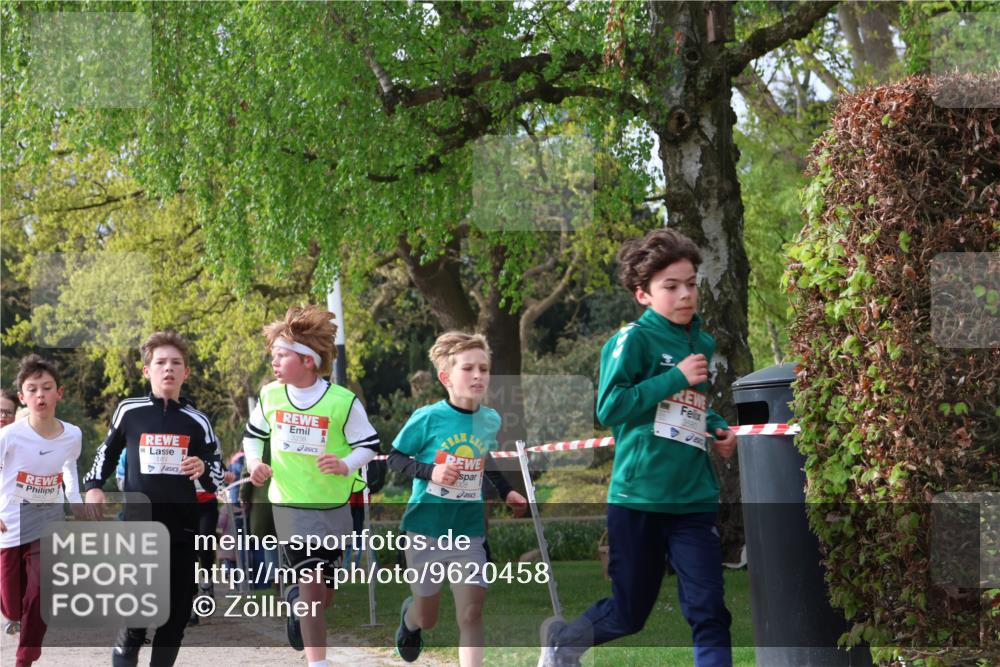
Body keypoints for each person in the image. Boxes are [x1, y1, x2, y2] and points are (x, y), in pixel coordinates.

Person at [539, 228, 737, 667]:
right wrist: (675, 377)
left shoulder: (700, 342)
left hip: (693, 500)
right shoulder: (632, 340)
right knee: (630, 614)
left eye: (690, 284)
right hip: (639, 500)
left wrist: (719, 428)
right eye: (671, 287)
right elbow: (611, 407)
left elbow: (692, 406)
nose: (685, 294)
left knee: (709, 611)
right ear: (642, 294)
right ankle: (563, 644)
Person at [243, 305, 380, 667]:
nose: (274, 362)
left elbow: (370, 445)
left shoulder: (342, 402)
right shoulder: (270, 396)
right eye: (273, 355)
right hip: (289, 503)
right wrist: (256, 463)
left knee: (323, 592)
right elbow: (252, 437)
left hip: (334, 506)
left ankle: (294, 603)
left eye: (281, 356)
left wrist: (345, 463)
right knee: (313, 583)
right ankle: (317, 662)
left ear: (307, 360)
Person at [84, 331, 223, 667]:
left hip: (183, 533)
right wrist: (93, 485)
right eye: (160, 362)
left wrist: (203, 466)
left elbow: (217, 474)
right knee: (136, 619)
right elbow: (107, 451)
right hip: (139, 531)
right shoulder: (129, 412)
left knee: (175, 621)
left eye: (176, 363)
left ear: (186, 372)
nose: (168, 369)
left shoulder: (198, 421)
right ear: (147, 370)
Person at [389, 331, 527, 667]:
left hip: (468, 530)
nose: (478, 375)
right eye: (468, 368)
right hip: (425, 529)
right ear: (446, 377)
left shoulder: (490, 419)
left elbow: (484, 459)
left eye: (484, 367)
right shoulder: (428, 417)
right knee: (428, 617)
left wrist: (506, 489)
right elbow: (395, 458)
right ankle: (411, 618)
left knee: (471, 611)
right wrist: (430, 472)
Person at [0, 355, 83, 666]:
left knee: (41, 589)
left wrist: (74, 499)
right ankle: (13, 614)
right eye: (32, 389)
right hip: (10, 523)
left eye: (46, 388)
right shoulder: (8, 436)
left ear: (58, 393)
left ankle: (25, 657)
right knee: (11, 606)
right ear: (22, 397)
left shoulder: (72, 434)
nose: (40, 395)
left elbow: (69, 466)